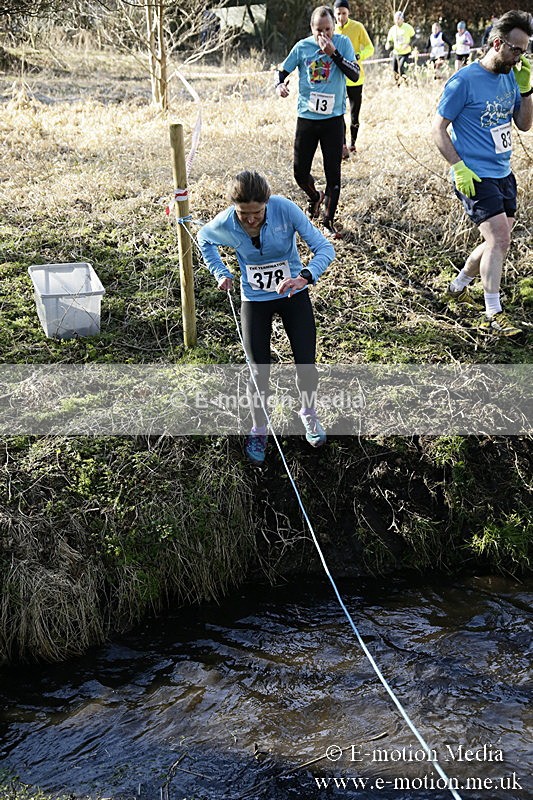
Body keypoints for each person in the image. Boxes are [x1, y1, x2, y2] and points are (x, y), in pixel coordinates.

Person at [197, 171, 335, 465]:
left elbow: (325, 248)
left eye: (257, 212)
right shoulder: (226, 222)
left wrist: (306, 277)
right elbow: (204, 238)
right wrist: (220, 272)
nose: (250, 220)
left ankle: (308, 413)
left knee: (306, 363)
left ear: (267, 204)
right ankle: (259, 427)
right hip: (254, 299)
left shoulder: (285, 209)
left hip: (292, 294)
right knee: (259, 371)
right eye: (244, 213)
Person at [432, 10, 533, 336]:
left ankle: (459, 285)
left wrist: (528, 90)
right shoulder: (464, 81)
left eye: (525, 50)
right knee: (500, 239)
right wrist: (458, 167)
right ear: (496, 43)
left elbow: (524, 124)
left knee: (496, 242)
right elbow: (437, 129)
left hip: (504, 172)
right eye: (516, 49)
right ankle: (494, 311)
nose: (520, 56)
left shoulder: (510, 76)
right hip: (474, 174)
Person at [276, 5, 359, 238]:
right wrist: (279, 85)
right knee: (299, 173)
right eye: (318, 30)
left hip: (333, 120)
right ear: (311, 29)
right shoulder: (302, 47)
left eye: (328, 29)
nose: (323, 35)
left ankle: (327, 222)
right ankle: (314, 197)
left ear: (334, 26)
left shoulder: (342, 44)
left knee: (333, 175)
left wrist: (334, 53)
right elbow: (281, 71)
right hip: (307, 119)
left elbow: (355, 74)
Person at [333, 0, 374, 158]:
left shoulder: (358, 27)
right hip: (338, 79)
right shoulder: (331, 28)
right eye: (338, 13)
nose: (341, 17)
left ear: (348, 13)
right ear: (334, 13)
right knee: (338, 113)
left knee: (354, 115)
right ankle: (342, 145)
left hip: (356, 78)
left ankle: (353, 143)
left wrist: (358, 56)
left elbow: (370, 48)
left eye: (344, 13)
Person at [385, 10, 415, 85]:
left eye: (398, 19)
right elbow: (390, 40)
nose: (397, 21)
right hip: (396, 53)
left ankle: (406, 83)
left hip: (405, 53)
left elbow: (414, 38)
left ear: (402, 19)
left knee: (401, 68)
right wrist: (388, 44)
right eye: (395, 19)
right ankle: (397, 85)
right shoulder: (392, 29)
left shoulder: (408, 27)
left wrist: (408, 44)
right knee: (394, 70)